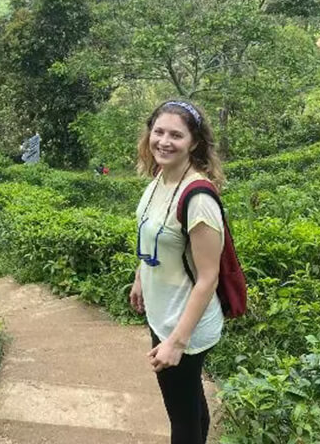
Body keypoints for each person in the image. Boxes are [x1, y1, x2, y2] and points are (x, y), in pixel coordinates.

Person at [128, 100, 226, 444]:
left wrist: (176, 342)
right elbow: (152, 234)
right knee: (190, 403)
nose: (164, 141)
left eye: (176, 135)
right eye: (159, 132)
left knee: (181, 421)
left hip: (184, 324)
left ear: (194, 142)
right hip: (163, 312)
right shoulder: (160, 178)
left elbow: (209, 277)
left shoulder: (198, 198)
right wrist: (141, 276)